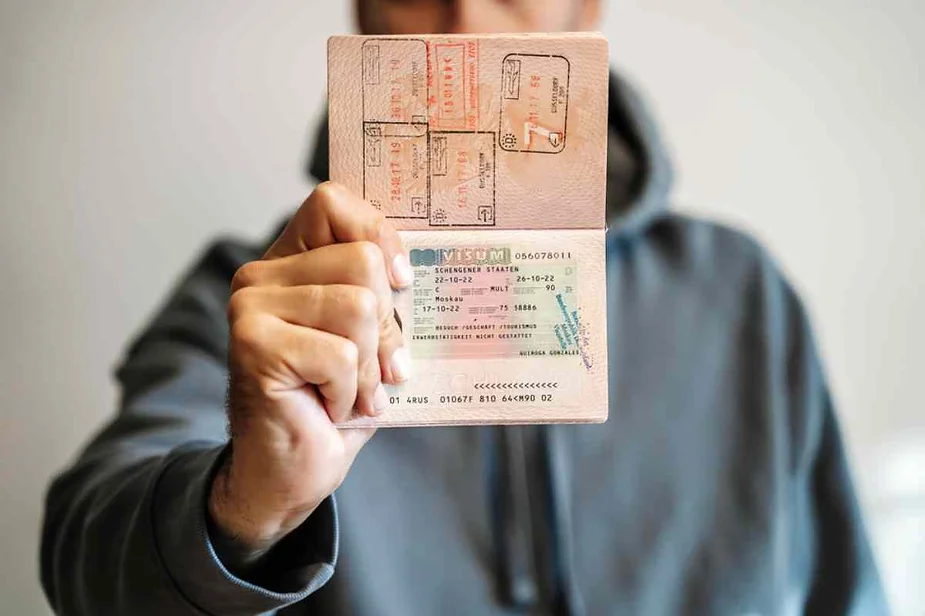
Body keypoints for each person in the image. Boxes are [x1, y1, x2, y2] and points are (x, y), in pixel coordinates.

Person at [40, 1, 888, 614]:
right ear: (362, 18)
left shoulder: (737, 291)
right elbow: (83, 564)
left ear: (583, 14)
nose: (464, 32)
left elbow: (845, 589)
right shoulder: (250, 299)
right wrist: (249, 503)